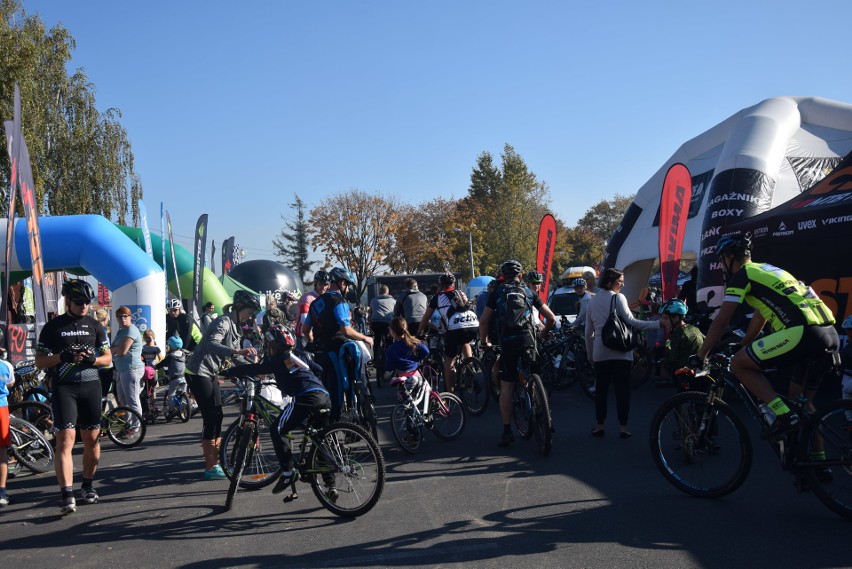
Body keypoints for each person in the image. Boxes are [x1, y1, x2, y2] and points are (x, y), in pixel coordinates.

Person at [694, 234, 839, 437]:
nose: (721, 264)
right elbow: (761, 313)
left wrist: (701, 354)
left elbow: (721, 321)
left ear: (729, 257)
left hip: (801, 332)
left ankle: (782, 414)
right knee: (804, 406)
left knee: (738, 364)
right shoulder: (770, 270)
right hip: (830, 334)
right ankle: (820, 464)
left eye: (721, 259)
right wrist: (746, 343)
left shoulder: (743, 275)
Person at [220, 324, 334, 496]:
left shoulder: (277, 361)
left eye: (269, 346)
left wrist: (228, 372)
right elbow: (319, 370)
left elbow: (253, 369)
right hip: (324, 396)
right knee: (320, 439)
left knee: (277, 428)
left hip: (305, 397)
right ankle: (330, 485)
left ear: (274, 347)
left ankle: (288, 472)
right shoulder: (300, 355)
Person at [35, 280, 112, 515]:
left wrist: (93, 360)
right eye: (79, 302)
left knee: (92, 440)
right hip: (64, 387)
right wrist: (62, 357)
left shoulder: (94, 325)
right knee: (66, 440)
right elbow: (40, 361)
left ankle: (87, 485)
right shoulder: (53, 327)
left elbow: (108, 357)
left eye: (87, 302)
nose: (84, 306)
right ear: (67, 301)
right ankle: (67, 493)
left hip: (91, 385)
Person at [479, 260, 556, 448]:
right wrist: (542, 335)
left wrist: (484, 342)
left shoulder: (496, 292)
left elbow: (483, 321)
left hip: (507, 342)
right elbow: (552, 318)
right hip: (528, 340)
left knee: (507, 387)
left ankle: (507, 431)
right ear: (520, 276)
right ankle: (545, 416)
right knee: (535, 376)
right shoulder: (528, 292)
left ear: (503, 277)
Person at [185, 290, 260, 479]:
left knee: (217, 416)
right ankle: (211, 468)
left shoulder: (235, 326)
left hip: (209, 373)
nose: (249, 318)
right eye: (249, 313)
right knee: (211, 417)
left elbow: (236, 359)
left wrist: (257, 369)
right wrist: (236, 351)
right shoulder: (223, 322)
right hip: (197, 372)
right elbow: (211, 344)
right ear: (239, 307)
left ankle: (215, 462)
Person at [585, 268, 661, 439]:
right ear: (610, 281)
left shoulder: (592, 301)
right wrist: (657, 325)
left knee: (601, 391)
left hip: (600, 352)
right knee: (622, 391)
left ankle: (599, 425)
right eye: (620, 281)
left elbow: (588, 332)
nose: (623, 284)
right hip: (621, 352)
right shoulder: (618, 297)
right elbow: (633, 322)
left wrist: (590, 354)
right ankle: (623, 427)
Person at [303, 267, 373, 421]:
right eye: (347, 285)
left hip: (320, 355)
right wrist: (365, 338)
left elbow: (305, 329)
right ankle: (338, 427)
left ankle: (324, 425)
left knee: (324, 390)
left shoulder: (315, 303)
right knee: (338, 391)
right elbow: (346, 330)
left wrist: (314, 342)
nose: (347, 289)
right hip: (336, 353)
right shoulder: (339, 301)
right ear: (342, 283)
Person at [418, 272, 478, 393]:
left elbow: (426, 317)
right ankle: (470, 365)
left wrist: (419, 332)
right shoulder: (461, 293)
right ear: (453, 284)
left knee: (449, 361)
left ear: (441, 285)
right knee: (465, 341)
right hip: (473, 324)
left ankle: (450, 393)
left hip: (455, 327)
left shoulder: (438, 297)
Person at [657, 299, 704, 389]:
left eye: (666, 318)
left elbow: (673, 358)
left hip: (686, 373)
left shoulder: (678, 334)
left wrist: (662, 362)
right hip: (701, 369)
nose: (663, 321)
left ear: (676, 318)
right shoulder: (694, 328)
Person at [111, 306, 145, 427]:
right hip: (121, 369)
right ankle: (128, 425)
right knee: (123, 400)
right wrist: (115, 348)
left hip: (132, 369)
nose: (122, 319)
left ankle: (136, 427)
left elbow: (121, 351)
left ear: (130, 317)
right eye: (119, 316)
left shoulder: (131, 330)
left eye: (125, 316)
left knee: (132, 400)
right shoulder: (121, 331)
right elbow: (112, 348)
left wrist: (115, 349)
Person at [295, 270, 330, 351]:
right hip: (303, 335)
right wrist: (311, 339)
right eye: (321, 284)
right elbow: (304, 319)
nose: (323, 287)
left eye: (326, 285)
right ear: (315, 283)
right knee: (304, 361)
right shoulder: (308, 297)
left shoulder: (324, 298)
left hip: (316, 335)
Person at [369, 284, 396, 381]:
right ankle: (388, 361)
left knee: (377, 340)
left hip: (376, 322)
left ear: (379, 292)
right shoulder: (393, 301)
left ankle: (376, 359)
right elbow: (395, 314)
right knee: (389, 341)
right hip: (388, 323)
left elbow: (370, 314)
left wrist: (370, 323)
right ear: (388, 292)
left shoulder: (373, 300)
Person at [156, 336, 188, 415]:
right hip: (184, 378)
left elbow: (162, 364)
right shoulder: (183, 354)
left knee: (171, 394)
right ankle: (184, 408)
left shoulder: (171, 356)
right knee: (183, 392)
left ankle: (171, 410)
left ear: (171, 346)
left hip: (174, 379)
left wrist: (155, 367)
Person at [0, 355, 14, 507]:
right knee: (2, 451)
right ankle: (1, 492)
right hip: (1, 407)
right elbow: (10, 383)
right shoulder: (6, 365)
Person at [93, 309, 115, 398]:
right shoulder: (102, 333)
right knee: (103, 395)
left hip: (95, 365)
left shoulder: (92, 331)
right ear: (105, 319)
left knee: (96, 394)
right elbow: (105, 350)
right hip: (106, 366)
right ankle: (101, 411)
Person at [840, 316, 852, 421]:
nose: (848, 333)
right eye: (848, 330)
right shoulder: (849, 346)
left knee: (847, 389)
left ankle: (850, 418)